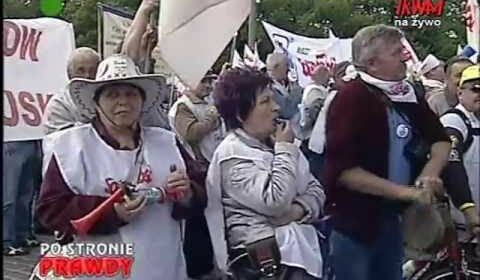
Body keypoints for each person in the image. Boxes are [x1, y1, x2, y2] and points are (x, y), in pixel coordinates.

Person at [36, 54, 193, 279]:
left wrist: (186, 193)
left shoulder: (166, 141)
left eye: (131, 94)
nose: (123, 102)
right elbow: (50, 209)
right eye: (112, 95)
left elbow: (199, 191)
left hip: (162, 263)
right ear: (97, 103)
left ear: (142, 100)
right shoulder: (69, 147)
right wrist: (111, 213)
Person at [324, 24, 450, 280]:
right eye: (397, 52)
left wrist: (429, 174)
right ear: (372, 63)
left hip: (393, 221)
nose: (406, 57)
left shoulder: (409, 94)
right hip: (355, 225)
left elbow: (441, 140)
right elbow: (345, 172)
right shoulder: (350, 99)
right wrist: (406, 192)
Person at [205, 68, 326, 280]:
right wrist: (285, 151)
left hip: (298, 256)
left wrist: (297, 210)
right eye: (265, 102)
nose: (276, 107)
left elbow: (316, 190)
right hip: (265, 263)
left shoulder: (273, 144)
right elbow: (275, 201)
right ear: (240, 114)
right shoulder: (233, 156)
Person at [168, 73, 226, 279]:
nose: (209, 86)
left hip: (214, 169)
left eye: (211, 81)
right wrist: (211, 119)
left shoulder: (209, 103)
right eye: (204, 81)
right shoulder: (183, 107)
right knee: (198, 225)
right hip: (196, 174)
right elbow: (192, 133)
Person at [440, 64, 480, 241]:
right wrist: (468, 208)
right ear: (460, 92)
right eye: (476, 88)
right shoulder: (454, 120)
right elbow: (451, 164)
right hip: (463, 225)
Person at [266, 52, 303, 120]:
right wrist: (298, 90)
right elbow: (287, 111)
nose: (288, 68)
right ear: (277, 67)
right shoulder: (269, 89)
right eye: (286, 65)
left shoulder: (282, 83)